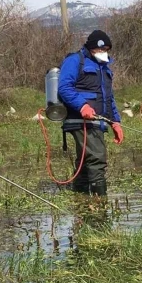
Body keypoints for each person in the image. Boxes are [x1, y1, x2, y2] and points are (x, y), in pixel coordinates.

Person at [57, 30, 124, 197]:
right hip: (80, 120)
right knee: (97, 159)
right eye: (99, 49)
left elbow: (108, 97)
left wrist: (114, 121)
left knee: (85, 161)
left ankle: (81, 202)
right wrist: (82, 106)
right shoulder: (74, 61)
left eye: (106, 49)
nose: (102, 52)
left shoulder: (104, 67)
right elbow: (64, 88)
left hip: (97, 122)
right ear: (90, 48)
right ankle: (100, 204)